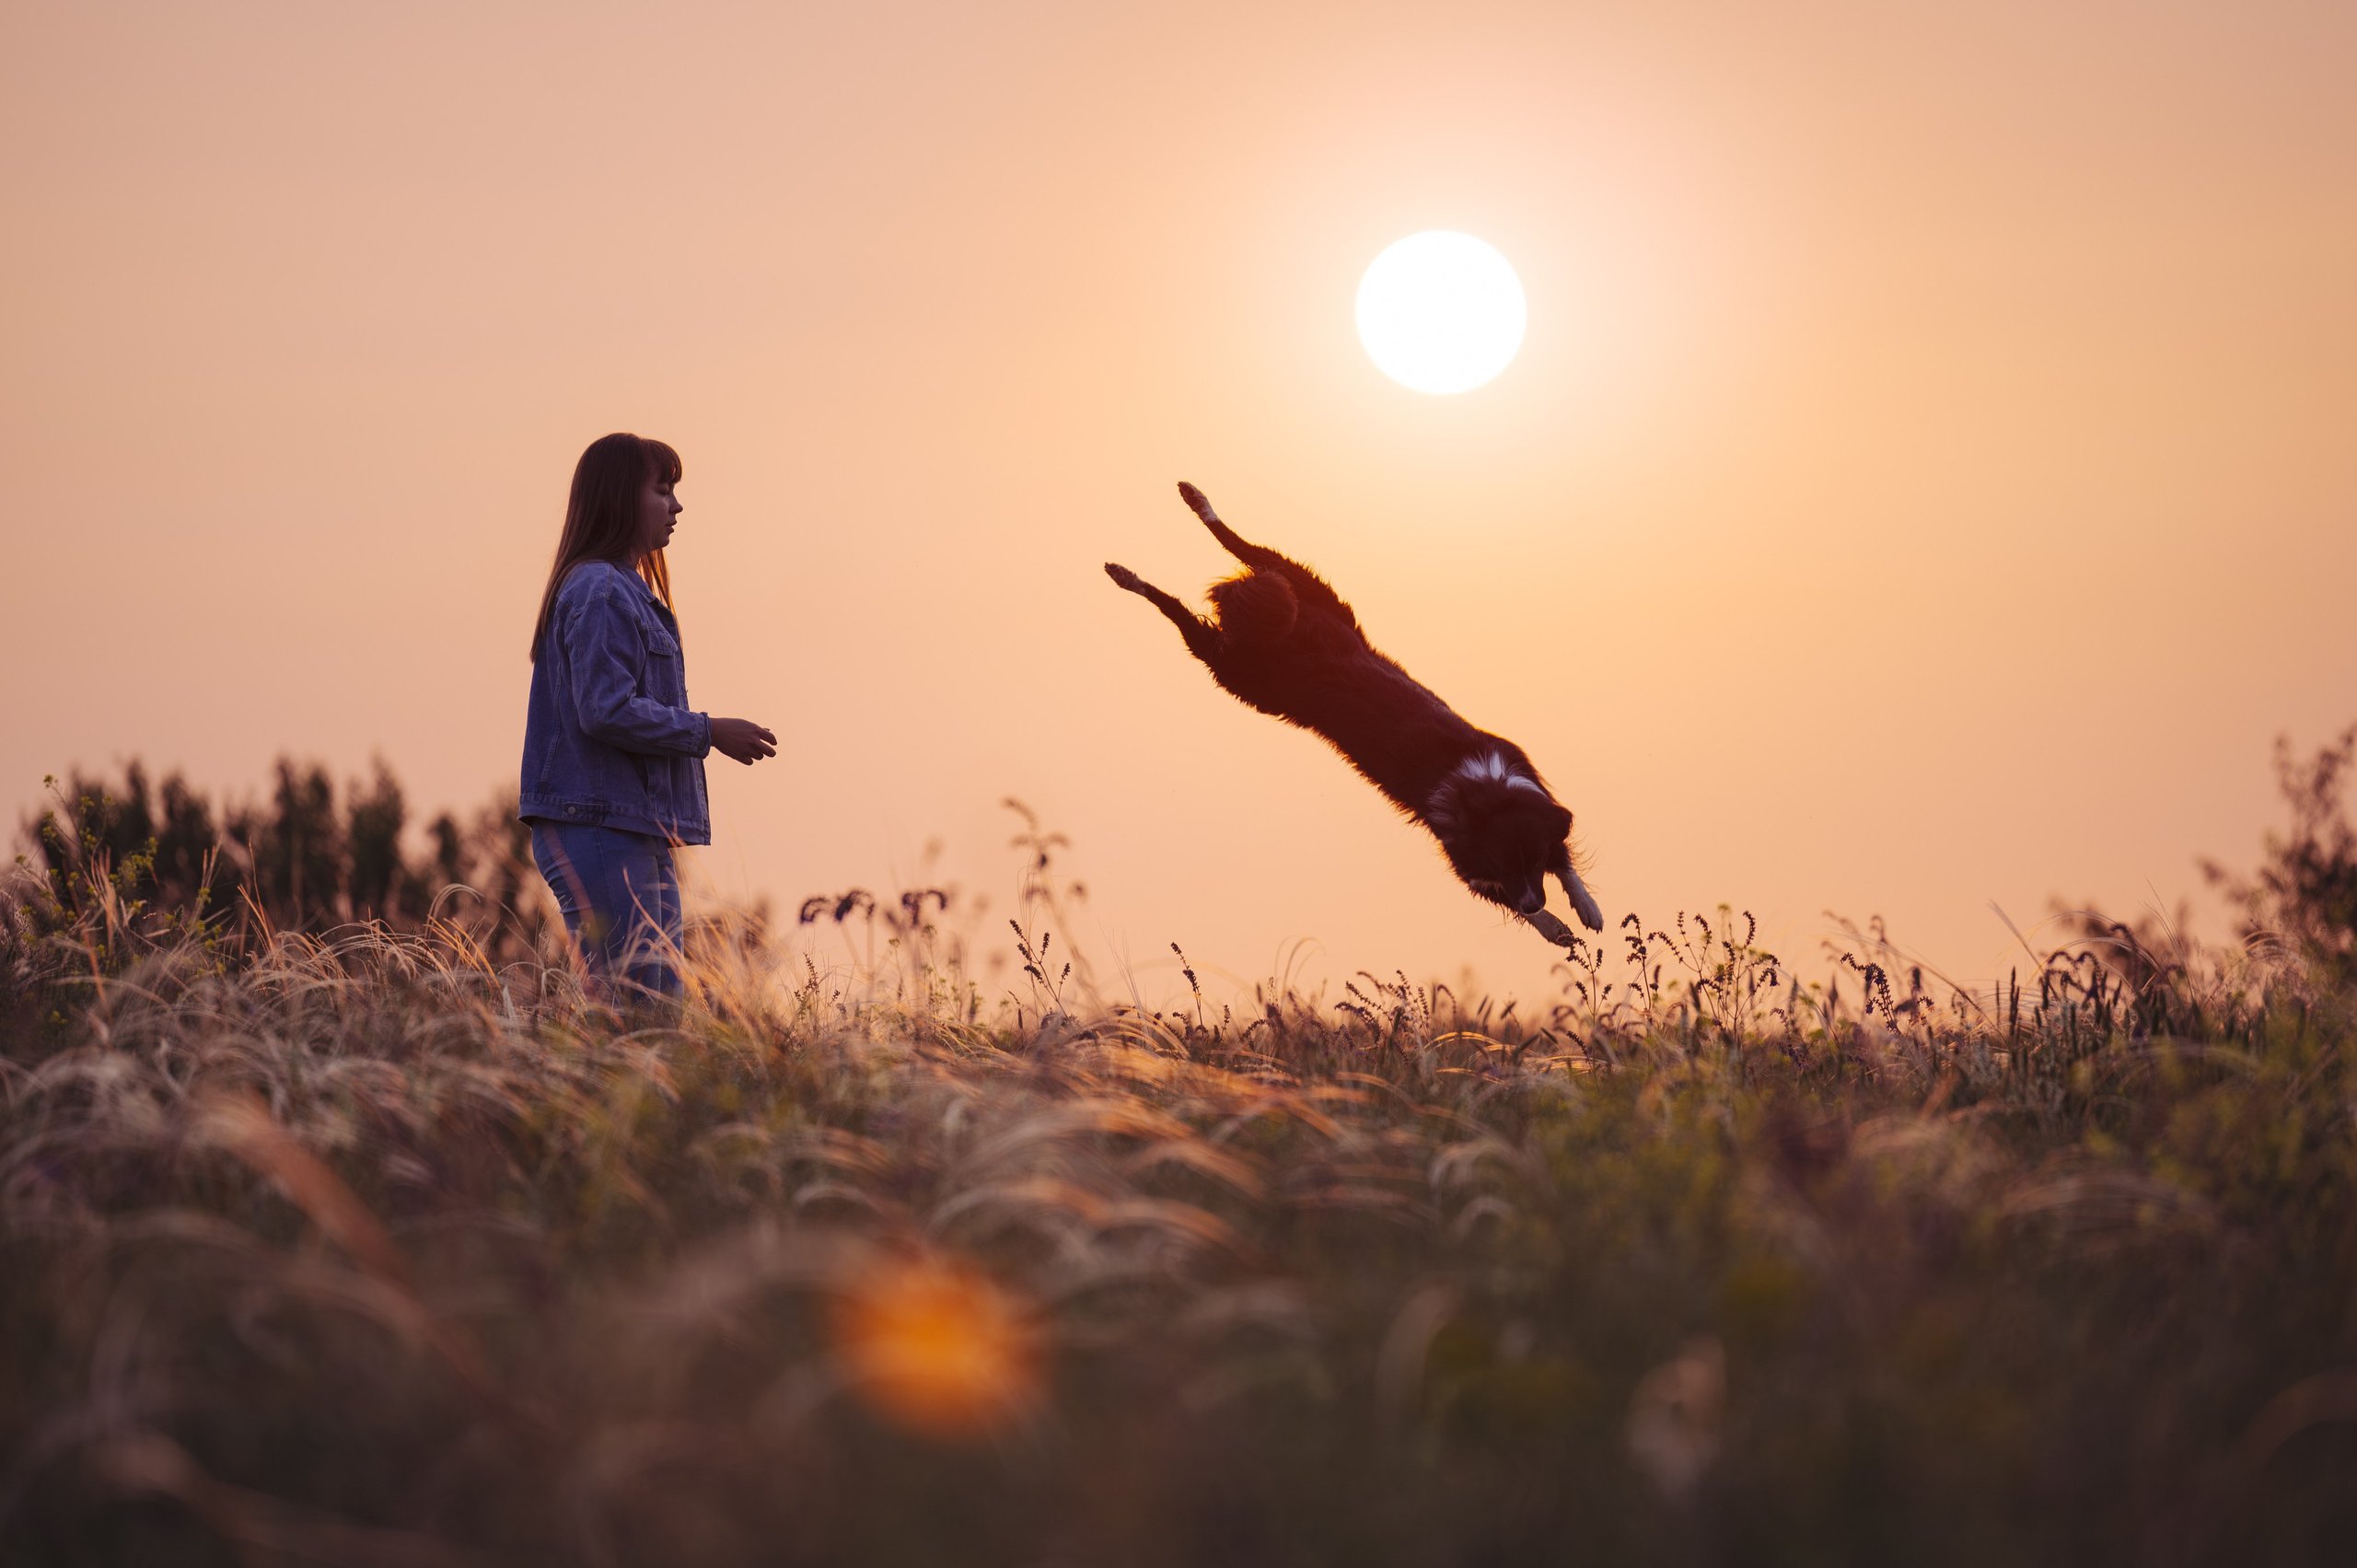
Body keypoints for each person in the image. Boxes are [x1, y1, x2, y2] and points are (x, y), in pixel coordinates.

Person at [520, 433, 775, 996]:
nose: (676, 506)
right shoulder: (602, 591)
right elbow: (605, 710)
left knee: (655, 1012)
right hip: (599, 824)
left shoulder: (623, 590)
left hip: (629, 825)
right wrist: (708, 732)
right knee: (635, 1013)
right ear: (619, 498)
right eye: (662, 491)